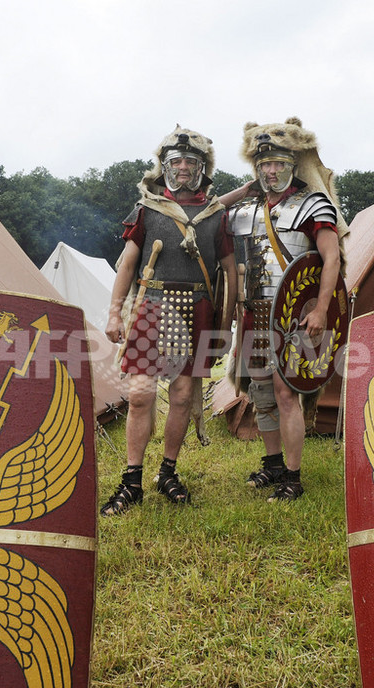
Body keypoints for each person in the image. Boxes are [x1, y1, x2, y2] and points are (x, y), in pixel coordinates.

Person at [101, 126, 237, 516]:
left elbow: (229, 272)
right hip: (152, 306)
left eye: (190, 162)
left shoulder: (216, 215)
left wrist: (223, 327)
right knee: (141, 394)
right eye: (175, 162)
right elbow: (128, 263)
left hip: (198, 309)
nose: (182, 168)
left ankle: (167, 472)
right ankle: (131, 481)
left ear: (202, 168)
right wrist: (114, 311)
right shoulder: (148, 208)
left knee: (181, 397)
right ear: (164, 166)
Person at [223, 117, 348, 502]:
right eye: (263, 165)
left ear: (292, 164)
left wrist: (322, 309)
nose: (270, 171)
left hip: (295, 315)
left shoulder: (312, 204)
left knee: (286, 392)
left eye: (277, 163)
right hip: (255, 314)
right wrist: (242, 189)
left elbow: (331, 260)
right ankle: (273, 463)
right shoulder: (246, 209)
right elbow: (208, 216)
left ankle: (293, 477)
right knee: (260, 393)